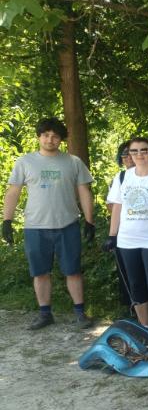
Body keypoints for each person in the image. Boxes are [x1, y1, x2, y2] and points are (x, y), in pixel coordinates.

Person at [2, 117, 95, 330]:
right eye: (46, 135)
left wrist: (90, 221)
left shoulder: (73, 162)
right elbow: (13, 191)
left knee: (73, 271)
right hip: (35, 227)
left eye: (55, 136)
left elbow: (84, 192)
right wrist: (7, 220)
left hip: (67, 225)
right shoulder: (25, 162)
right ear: (39, 137)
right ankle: (45, 314)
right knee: (40, 272)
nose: (50, 140)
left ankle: (80, 313)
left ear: (61, 139)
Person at [104, 137, 148, 331]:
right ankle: (145, 329)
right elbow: (117, 208)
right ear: (129, 154)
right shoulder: (122, 177)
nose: (139, 154)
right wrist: (112, 236)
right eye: (134, 151)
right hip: (127, 241)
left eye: (144, 150)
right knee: (135, 285)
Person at [108, 141, 134, 314]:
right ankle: (131, 306)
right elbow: (111, 205)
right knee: (126, 271)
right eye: (124, 155)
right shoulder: (119, 178)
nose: (128, 158)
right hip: (123, 230)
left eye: (131, 153)